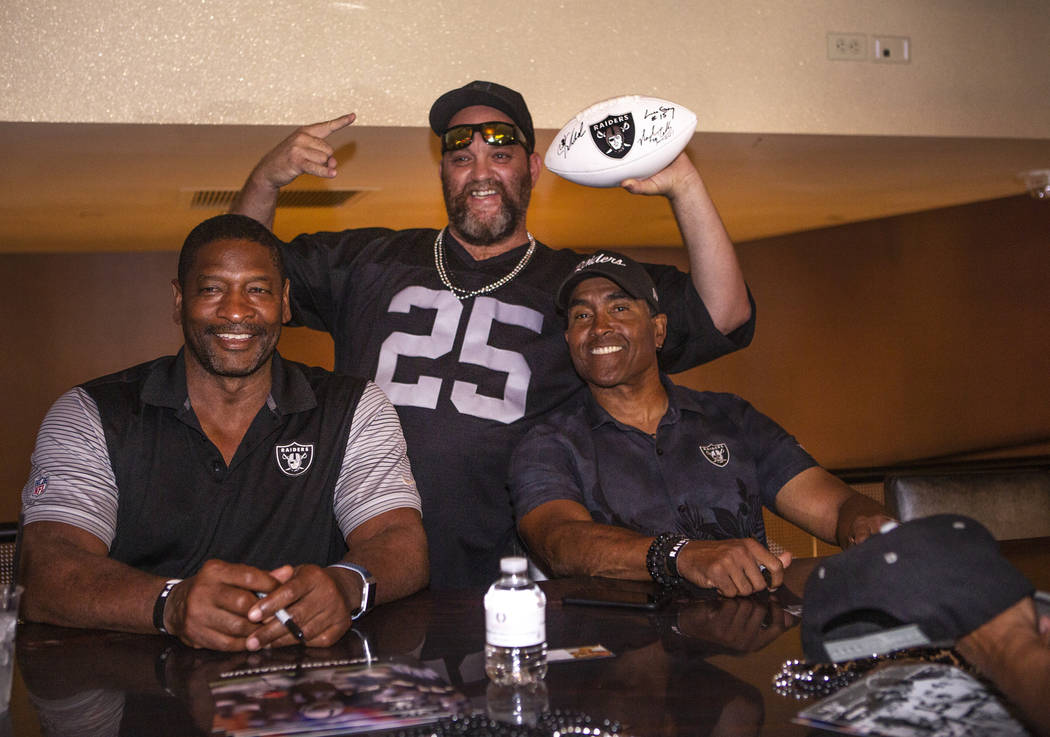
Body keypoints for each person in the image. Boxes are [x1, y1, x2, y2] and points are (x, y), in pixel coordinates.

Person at [229, 80, 755, 588]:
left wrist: (685, 185)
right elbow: (238, 285)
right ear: (443, 173)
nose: (480, 172)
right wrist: (264, 181)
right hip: (353, 562)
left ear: (531, 168)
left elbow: (724, 314)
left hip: (505, 576)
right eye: (461, 158)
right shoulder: (368, 262)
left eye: (500, 155)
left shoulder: (582, 287)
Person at [19, 214, 427, 651]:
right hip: (136, 699)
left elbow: (400, 542)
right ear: (178, 301)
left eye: (258, 289)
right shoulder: (92, 413)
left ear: (285, 302)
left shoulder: (354, 407)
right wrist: (170, 605)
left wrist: (348, 586)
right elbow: (45, 569)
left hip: (302, 696)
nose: (236, 310)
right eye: (212, 289)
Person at [509, 251, 893, 596]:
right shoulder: (548, 442)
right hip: (623, 662)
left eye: (620, 308)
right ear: (569, 339)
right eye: (582, 315)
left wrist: (864, 522)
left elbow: (834, 505)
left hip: (744, 654)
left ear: (658, 330)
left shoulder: (731, 419)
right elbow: (560, 543)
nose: (600, 326)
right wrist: (679, 555)